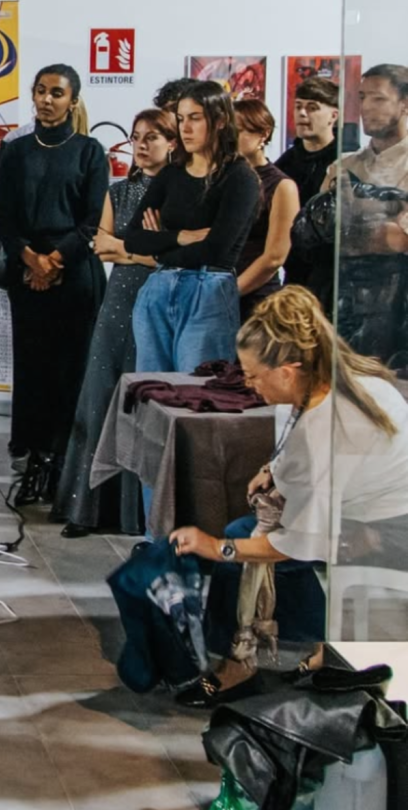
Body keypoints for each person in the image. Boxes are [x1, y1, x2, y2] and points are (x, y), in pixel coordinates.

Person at [169, 287, 408, 705]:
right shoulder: (328, 383)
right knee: (250, 534)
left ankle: (239, 667)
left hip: (388, 534)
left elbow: (294, 543)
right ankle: (324, 653)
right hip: (367, 512)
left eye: (253, 374)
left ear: (287, 370)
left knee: (240, 542)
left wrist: (217, 547)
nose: (247, 384)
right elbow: (300, 453)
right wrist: (274, 470)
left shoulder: (327, 428)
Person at [0, 65, 109, 506]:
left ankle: (64, 469)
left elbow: (93, 219)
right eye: (40, 91)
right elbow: (4, 218)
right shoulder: (15, 150)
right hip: (25, 271)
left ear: (72, 101)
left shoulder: (89, 151)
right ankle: (34, 464)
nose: (46, 99)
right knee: (31, 371)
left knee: (69, 372)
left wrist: (55, 261)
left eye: (56, 93)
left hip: (75, 274)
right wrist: (32, 260)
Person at [57, 109, 175, 537]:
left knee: (144, 398)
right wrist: (144, 251)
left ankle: (136, 514)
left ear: (172, 143)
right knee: (100, 394)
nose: (141, 145)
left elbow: (171, 255)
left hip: (159, 298)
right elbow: (102, 248)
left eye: (152, 137)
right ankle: (85, 507)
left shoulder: (179, 193)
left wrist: (137, 251)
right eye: (137, 136)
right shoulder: (118, 190)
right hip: (118, 299)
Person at [125, 81, 261, 375]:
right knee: (151, 390)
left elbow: (215, 249)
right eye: (181, 118)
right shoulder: (171, 174)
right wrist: (181, 237)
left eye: (195, 118)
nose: (185, 128)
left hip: (208, 290)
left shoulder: (240, 177)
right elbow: (133, 240)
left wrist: (160, 242)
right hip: (158, 288)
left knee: (196, 391)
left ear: (220, 120)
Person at [322, 64, 408, 368]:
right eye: (362, 97)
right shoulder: (344, 167)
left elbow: (397, 240)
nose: (366, 107)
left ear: (404, 103)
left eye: (378, 98)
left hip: (399, 313)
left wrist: (357, 228)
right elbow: (318, 233)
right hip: (345, 302)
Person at [276, 77, 340, 306]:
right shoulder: (284, 163)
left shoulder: (346, 161)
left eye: (312, 108)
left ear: (333, 115)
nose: (302, 114)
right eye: (298, 106)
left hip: (332, 274)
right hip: (293, 273)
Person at [233, 100, 298, 321]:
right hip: (214, 294)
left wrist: (229, 292)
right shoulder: (221, 179)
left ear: (263, 134)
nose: (231, 139)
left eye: (239, 131)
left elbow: (274, 257)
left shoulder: (282, 186)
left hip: (257, 300)